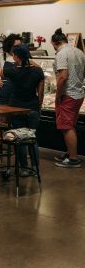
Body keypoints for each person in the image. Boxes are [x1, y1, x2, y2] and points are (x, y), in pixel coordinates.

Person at [3, 45, 44, 173]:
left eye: (14, 55)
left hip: (16, 108)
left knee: (19, 138)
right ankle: (35, 167)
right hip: (33, 107)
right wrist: (39, 107)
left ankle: (23, 168)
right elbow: (40, 93)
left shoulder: (13, 70)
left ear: (17, 57)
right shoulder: (38, 71)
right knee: (32, 137)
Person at [50, 28, 85, 168]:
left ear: (55, 43)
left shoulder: (61, 54)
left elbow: (63, 76)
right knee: (70, 125)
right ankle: (70, 152)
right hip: (78, 94)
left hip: (68, 95)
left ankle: (73, 159)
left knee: (66, 127)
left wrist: (58, 96)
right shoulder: (79, 51)